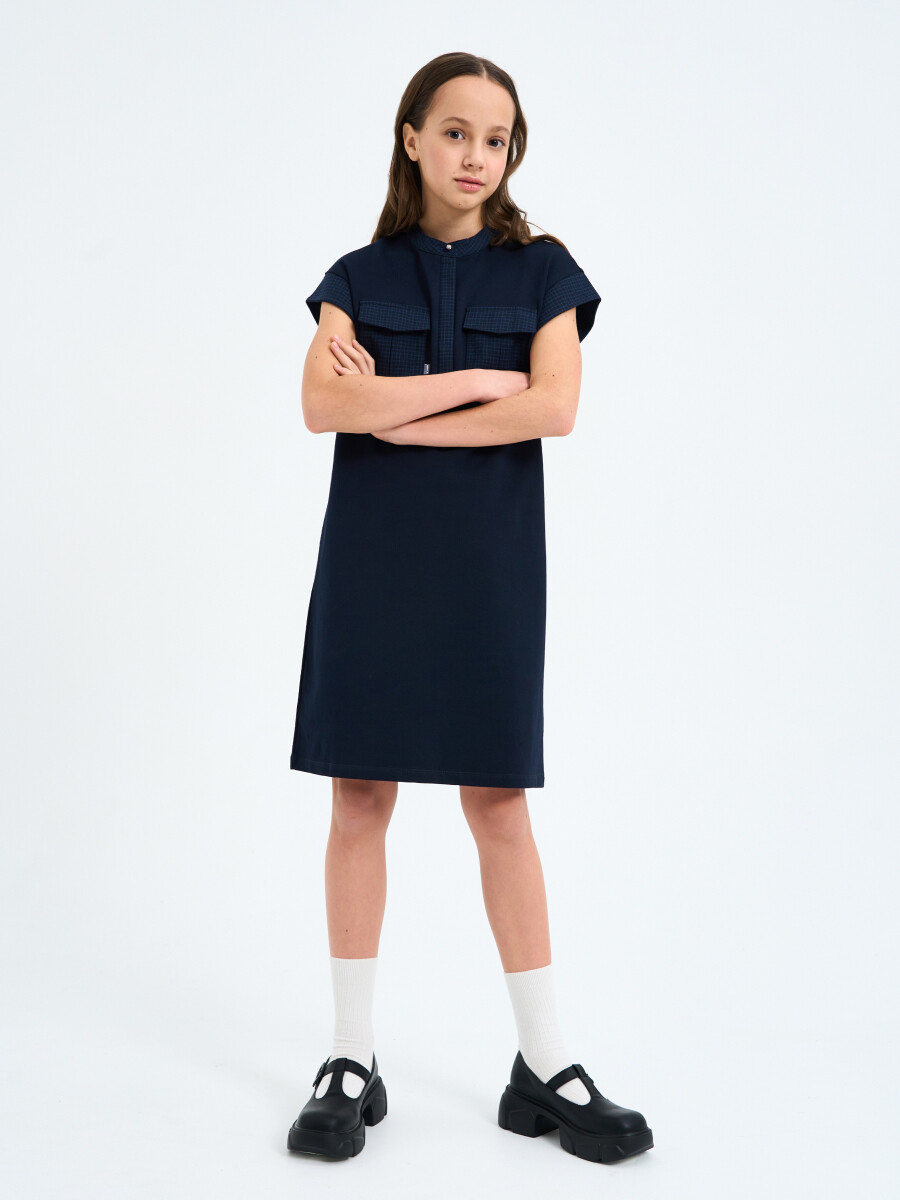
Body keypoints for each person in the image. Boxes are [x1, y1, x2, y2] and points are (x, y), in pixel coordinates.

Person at [286, 52, 653, 1164]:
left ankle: (544, 1064)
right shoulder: (357, 274)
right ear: (411, 138)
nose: (475, 156)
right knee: (360, 797)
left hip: (490, 571)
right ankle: (350, 1059)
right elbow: (321, 404)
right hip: (372, 567)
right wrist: (473, 384)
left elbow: (555, 410)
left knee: (498, 803)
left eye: (496, 140)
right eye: (454, 133)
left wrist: (394, 414)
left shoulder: (545, 272)